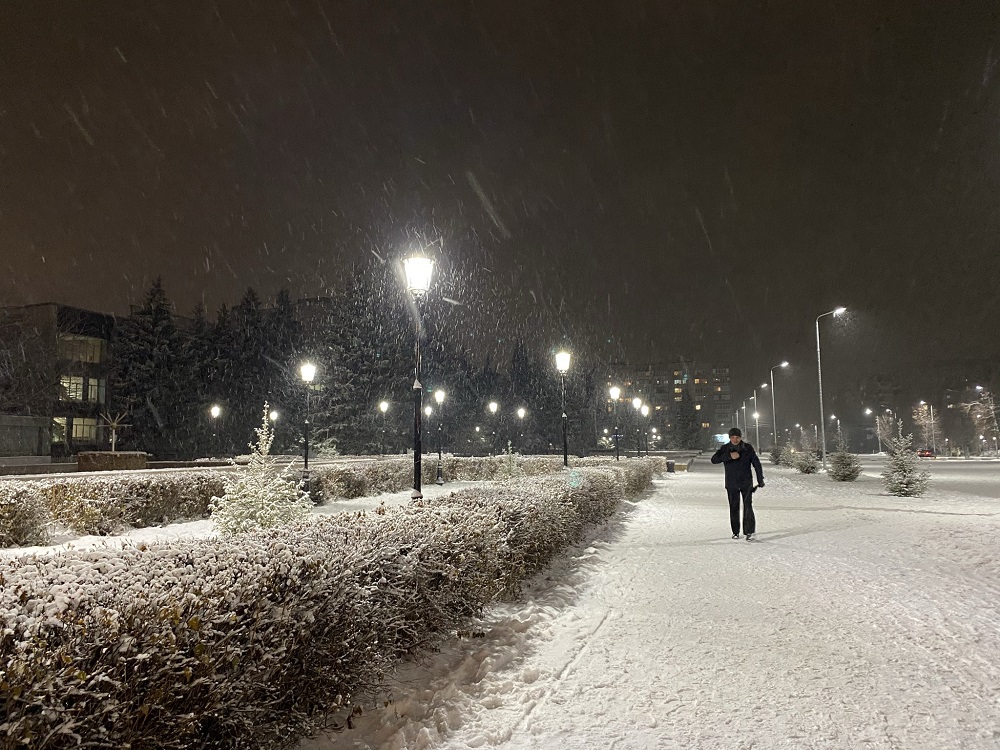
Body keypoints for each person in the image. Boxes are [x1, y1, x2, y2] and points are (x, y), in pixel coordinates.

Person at [710, 427, 764, 540]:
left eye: (737, 437)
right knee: (734, 507)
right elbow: (714, 459)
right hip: (731, 483)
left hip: (746, 482)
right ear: (730, 438)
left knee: (748, 507)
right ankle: (735, 532)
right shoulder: (725, 448)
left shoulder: (747, 448)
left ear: (740, 437)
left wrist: (760, 479)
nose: (735, 439)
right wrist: (729, 457)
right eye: (733, 437)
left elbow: (756, 463)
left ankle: (748, 532)